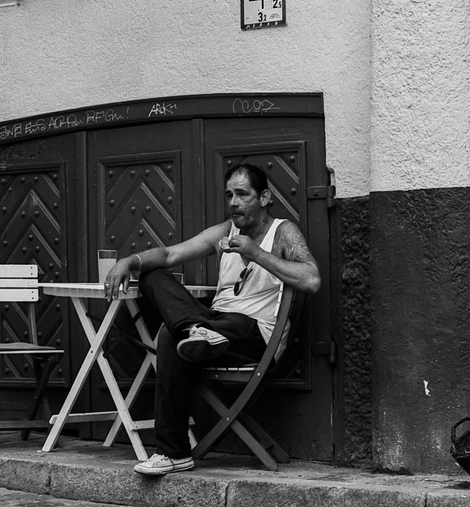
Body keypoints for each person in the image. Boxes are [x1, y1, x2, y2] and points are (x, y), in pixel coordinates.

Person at [100, 163, 321, 476]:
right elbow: (168, 255)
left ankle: (171, 447)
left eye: (242, 194)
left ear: (264, 197)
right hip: (213, 329)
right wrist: (128, 261)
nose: (233, 202)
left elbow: (312, 280)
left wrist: (256, 253)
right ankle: (175, 450)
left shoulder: (283, 232)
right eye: (229, 195)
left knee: (168, 335)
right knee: (153, 276)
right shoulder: (224, 232)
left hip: (254, 335)